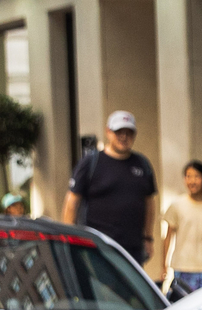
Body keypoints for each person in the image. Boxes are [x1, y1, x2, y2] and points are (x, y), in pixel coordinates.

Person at [63, 110, 158, 259]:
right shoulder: (90, 163)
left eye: (129, 133)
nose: (124, 137)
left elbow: (149, 202)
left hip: (132, 248)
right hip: (96, 246)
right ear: (108, 132)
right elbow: (72, 201)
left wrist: (148, 238)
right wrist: (69, 240)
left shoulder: (142, 164)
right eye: (119, 132)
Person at [154, 161, 202, 296]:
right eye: (188, 176)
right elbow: (168, 237)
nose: (192, 181)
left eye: (197, 176)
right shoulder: (177, 206)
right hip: (183, 266)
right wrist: (164, 265)